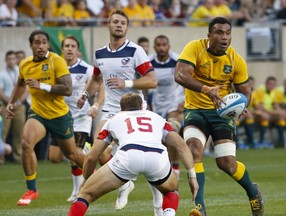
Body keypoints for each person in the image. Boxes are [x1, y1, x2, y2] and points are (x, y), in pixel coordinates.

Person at [174, 17, 264, 216]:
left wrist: (242, 105)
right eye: (219, 32)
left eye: (227, 33)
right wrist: (206, 89)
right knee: (194, 149)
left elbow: (245, 91)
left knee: (227, 164)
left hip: (222, 114)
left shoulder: (235, 59)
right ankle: (200, 207)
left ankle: (252, 191)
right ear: (209, 35)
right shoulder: (194, 48)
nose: (224, 37)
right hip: (195, 111)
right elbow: (180, 74)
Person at [77, 10, 159, 214]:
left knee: (149, 160)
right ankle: (122, 185)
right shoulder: (99, 54)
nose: (119, 25)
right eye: (115, 22)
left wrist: (127, 83)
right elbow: (96, 79)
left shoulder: (135, 51)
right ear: (108, 25)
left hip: (135, 111)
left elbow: (152, 80)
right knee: (97, 152)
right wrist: (85, 95)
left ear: (127, 27)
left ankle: (159, 207)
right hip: (112, 111)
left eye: (123, 22)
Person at [68, 92, 199, 216]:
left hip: (128, 157)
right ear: (142, 106)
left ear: (121, 108)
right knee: (171, 191)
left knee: (85, 194)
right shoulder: (157, 118)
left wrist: (85, 181)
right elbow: (181, 146)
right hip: (157, 157)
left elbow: (92, 156)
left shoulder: (114, 119)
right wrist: (192, 177)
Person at [5, 29, 85, 206]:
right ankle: (32, 189)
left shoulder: (57, 61)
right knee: (26, 143)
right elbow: (20, 84)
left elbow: (67, 89)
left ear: (48, 45)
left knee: (70, 153)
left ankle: (95, 174)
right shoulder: (25, 65)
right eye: (37, 43)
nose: (41, 46)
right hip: (38, 113)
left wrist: (42, 86)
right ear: (31, 45)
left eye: (44, 43)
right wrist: (11, 102)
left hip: (59, 115)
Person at [48, 35, 104, 202]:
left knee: (74, 154)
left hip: (81, 118)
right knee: (55, 157)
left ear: (77, 50)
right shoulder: (56, 68)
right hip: (60, 118)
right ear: (62, 49)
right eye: (67, 46)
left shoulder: (86, 69)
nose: (70, 49)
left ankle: (80, 190)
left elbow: (100, 87)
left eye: (73, 46)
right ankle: (86, 158)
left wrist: (95, 106)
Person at [149, 35, 184, 180]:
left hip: (174, 102)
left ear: (168, 46)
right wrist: (146, 105)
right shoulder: (149, 62)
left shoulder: (177, 60)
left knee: (172, 132)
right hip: (157, 103)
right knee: (160, 139)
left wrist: (184, 101)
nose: (162, 47)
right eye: (159, 45)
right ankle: (164, 167)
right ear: (155, 47)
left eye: (164, 44)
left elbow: (187, 78)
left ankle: (175, 167)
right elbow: (145, 83)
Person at [0, 50, 27, 164]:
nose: (11, 61)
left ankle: (18, 156)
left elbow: (26, 89)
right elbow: (0, 92)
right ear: (6, 60)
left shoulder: (21, 72)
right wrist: (10, 102)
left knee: (19, 132)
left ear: (16, 60)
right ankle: (1, 157)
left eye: (13, 59)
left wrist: (19, 102)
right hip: (6, 105)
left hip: (19, 106)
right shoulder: (2, 74)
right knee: (3, 131)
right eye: (9, 59)